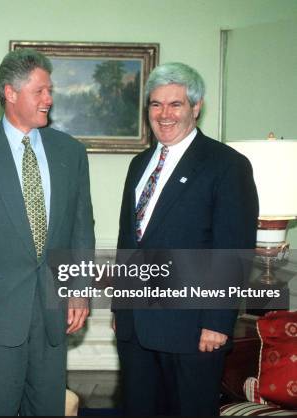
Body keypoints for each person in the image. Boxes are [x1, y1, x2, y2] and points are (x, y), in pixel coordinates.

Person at [113, 62, 258, 416]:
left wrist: (217, 322)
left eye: (175, 104)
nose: (164, 114)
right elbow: (129, 242)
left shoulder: (226, 165)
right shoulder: (140, 163)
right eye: (156, 105)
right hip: (136, 327)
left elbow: (233, 251)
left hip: (193, 330)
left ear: (196, 107)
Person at [0, 49, 95, 416]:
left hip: (54, 314)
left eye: (49, 90)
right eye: (40, 91)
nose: (49, 99)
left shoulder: (70, 152)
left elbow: (82, 228)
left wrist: (80, 293)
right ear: (10, 92)